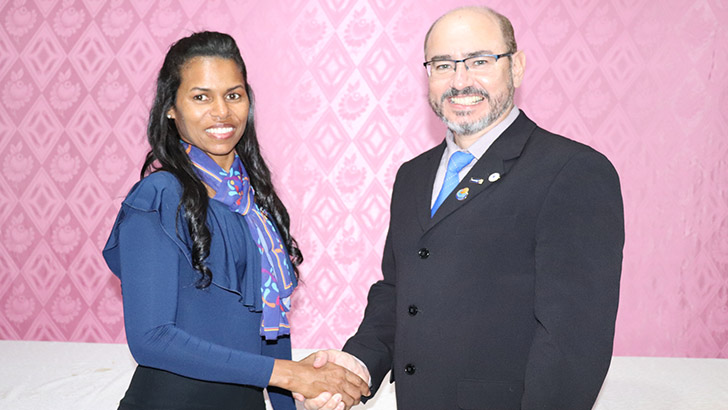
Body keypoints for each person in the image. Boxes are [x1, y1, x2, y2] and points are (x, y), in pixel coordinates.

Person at [301, 6, 624, 410]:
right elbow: (400, 291)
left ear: (516, 67)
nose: (460, 81)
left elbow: (573, 340)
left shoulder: (572, 171)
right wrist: (359, 364)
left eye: (479, 61)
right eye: (442, 65)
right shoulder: (413, 176)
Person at [102, 31, 369, 410]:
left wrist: (297, 392)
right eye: (201, 97)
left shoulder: (256, 205)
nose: (222, 112)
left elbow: (271, 337)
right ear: (171, 108)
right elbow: (152, 339)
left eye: (233, 95)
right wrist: (290, 374)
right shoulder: (158, 196)